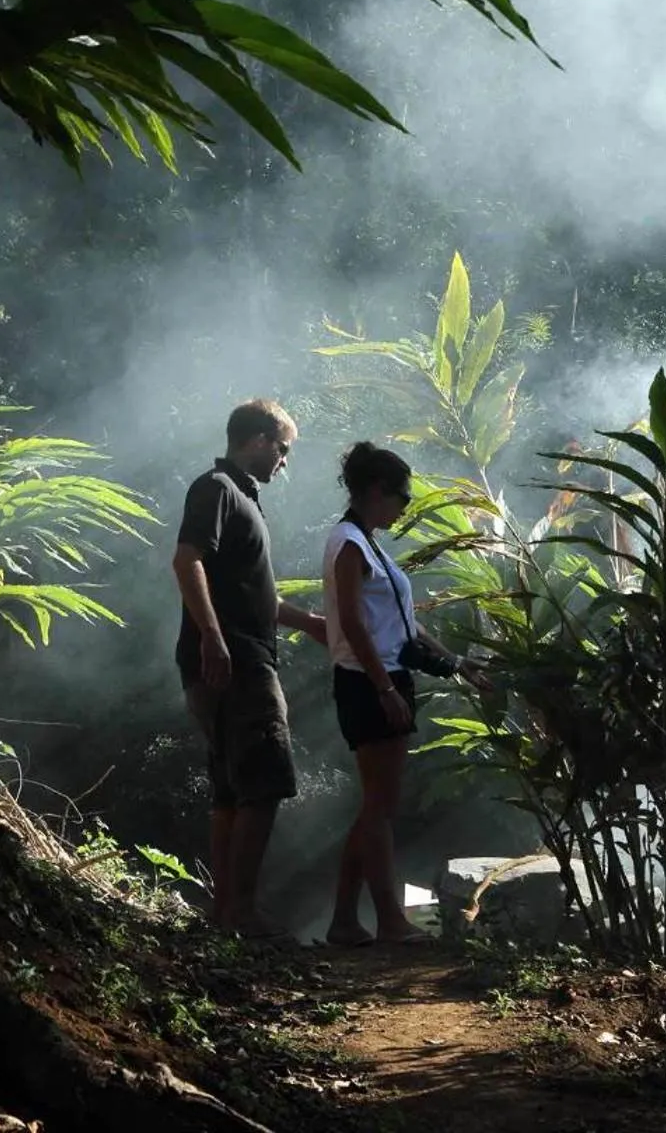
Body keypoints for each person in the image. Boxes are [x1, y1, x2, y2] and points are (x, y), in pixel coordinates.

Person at [170, 398, 326, 939]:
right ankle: (240, 911)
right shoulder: (217, 489)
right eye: (282, 448)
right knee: (264, 780)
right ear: (258, 440)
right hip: (236, 661)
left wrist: (310, 623)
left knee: (232, 788)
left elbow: (256, 596)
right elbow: (186, 559)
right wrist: (213, 639)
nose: (284, 460)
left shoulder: (242, 499)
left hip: (234, 656)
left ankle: (225, 913)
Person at [321, 441, 463, 947]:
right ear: (378, 491)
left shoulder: (368, 542)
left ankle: (345, 920)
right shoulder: (350, 543)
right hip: (368, 680)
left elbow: (404, 623)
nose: (405, 508)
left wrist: (456, 663)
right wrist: (383, 686)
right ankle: (389, 921)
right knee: (379, 806)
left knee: (377, 805)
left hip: (385, 676)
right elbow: (352, 621)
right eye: (403, 497)